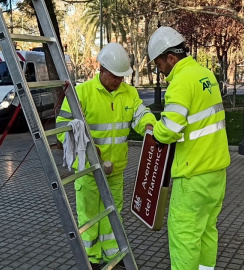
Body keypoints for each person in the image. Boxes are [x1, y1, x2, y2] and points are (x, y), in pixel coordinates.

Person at [56, 42, 156, 269]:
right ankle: (92, 259)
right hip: (89, 170)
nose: (120, 80)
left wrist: (150, 127)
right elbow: (62, 127)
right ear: (101, 70)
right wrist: (87, 147)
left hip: (116, 170)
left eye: (122, 76)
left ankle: (113, 257)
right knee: (90, 217)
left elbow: (142, 115)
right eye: (115, 76)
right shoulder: (81, 92)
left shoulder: (129, 93)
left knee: (113, 216)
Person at [148, 26, 231, 270]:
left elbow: (170, 130)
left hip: (192, 174)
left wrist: (154, 129)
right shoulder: (204, 74)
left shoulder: (180, 82)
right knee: (206, 231)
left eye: (159, 64)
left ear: (171, 58)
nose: (160, 70)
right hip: (216, 172)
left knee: (184, 237)